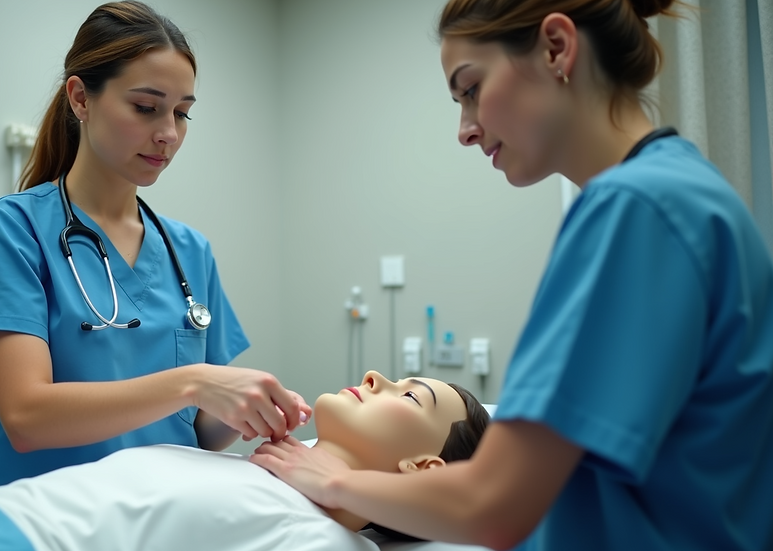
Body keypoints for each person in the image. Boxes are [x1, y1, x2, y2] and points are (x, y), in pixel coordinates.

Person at [250, 1, 773, 550]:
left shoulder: (637, 208)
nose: (465, 131)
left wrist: (332, 479)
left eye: (471, 89)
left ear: (556, 48)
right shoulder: (685, 192)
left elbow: (495, 504)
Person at [0, 1, 310, 492]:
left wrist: (250, 409)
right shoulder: (11, 230)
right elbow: (27, 418)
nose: (168, 134)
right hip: (40, 524)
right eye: (146, 107)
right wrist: (194, 382)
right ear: (80, 99)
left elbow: (198, 428)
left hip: (156, 521)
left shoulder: (189, 251)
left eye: (182, 113)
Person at [0, 372, 490, 551]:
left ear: (424, 468)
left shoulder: (325, 537)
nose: (376, 375)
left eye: (410, 392)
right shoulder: (267, 470)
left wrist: (338, 486)